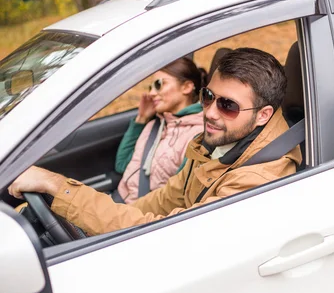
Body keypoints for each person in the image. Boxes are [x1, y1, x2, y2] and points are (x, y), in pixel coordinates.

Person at [8, 48, 302, 236]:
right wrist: (86, 214)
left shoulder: (256, 178)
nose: (209, 112)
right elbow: (162, 201)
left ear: (263, 115)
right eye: (208, 97)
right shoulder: (220, 142)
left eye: (228, 105)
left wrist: (61, 189)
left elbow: (166, 232)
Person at [114, 57, 206, 204]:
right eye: (150, 87)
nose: (151, 93)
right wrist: (141, 119)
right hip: (118, 200)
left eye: (159, 84)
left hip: (140, 216)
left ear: (187, 87)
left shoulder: (197, 135)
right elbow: (121, 165)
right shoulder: (155, 125)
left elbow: (176, 196)